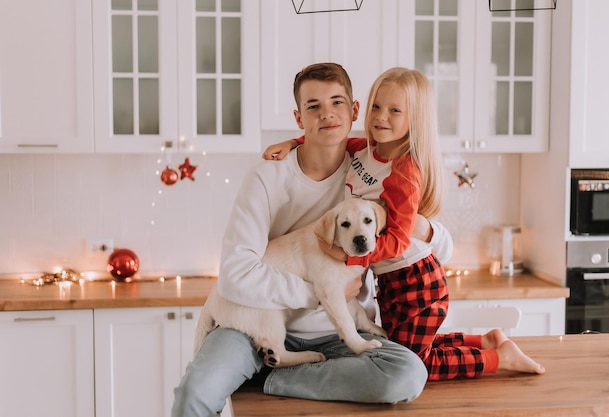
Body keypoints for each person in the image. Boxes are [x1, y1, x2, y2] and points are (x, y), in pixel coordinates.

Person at [171, 63, 452, 417]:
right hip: (252, 320)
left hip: (337, 333)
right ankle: (262, 362)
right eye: (313, 106)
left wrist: (423, 227)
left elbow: (442, 248)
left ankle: (270, 378)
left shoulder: (373, 168)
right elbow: (235, 274)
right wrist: (318, 293)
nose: (327, 114)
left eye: (337, 103)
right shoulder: (266, 177)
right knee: (194, 392)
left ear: (353, 111)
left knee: (408, 374)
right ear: (299, 116)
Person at [263, 67, 545, 381]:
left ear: (415, 120)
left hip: (415, 278)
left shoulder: (404, 172)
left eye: (395, 110)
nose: (381, 117)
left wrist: (352, 257)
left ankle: (498, 359)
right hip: (390, 280)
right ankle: (484, 341)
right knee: (402, 347)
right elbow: (328, 139)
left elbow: (397, 240)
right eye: (376, 107)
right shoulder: (365, 150)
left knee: (416, 363)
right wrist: (293, 143)